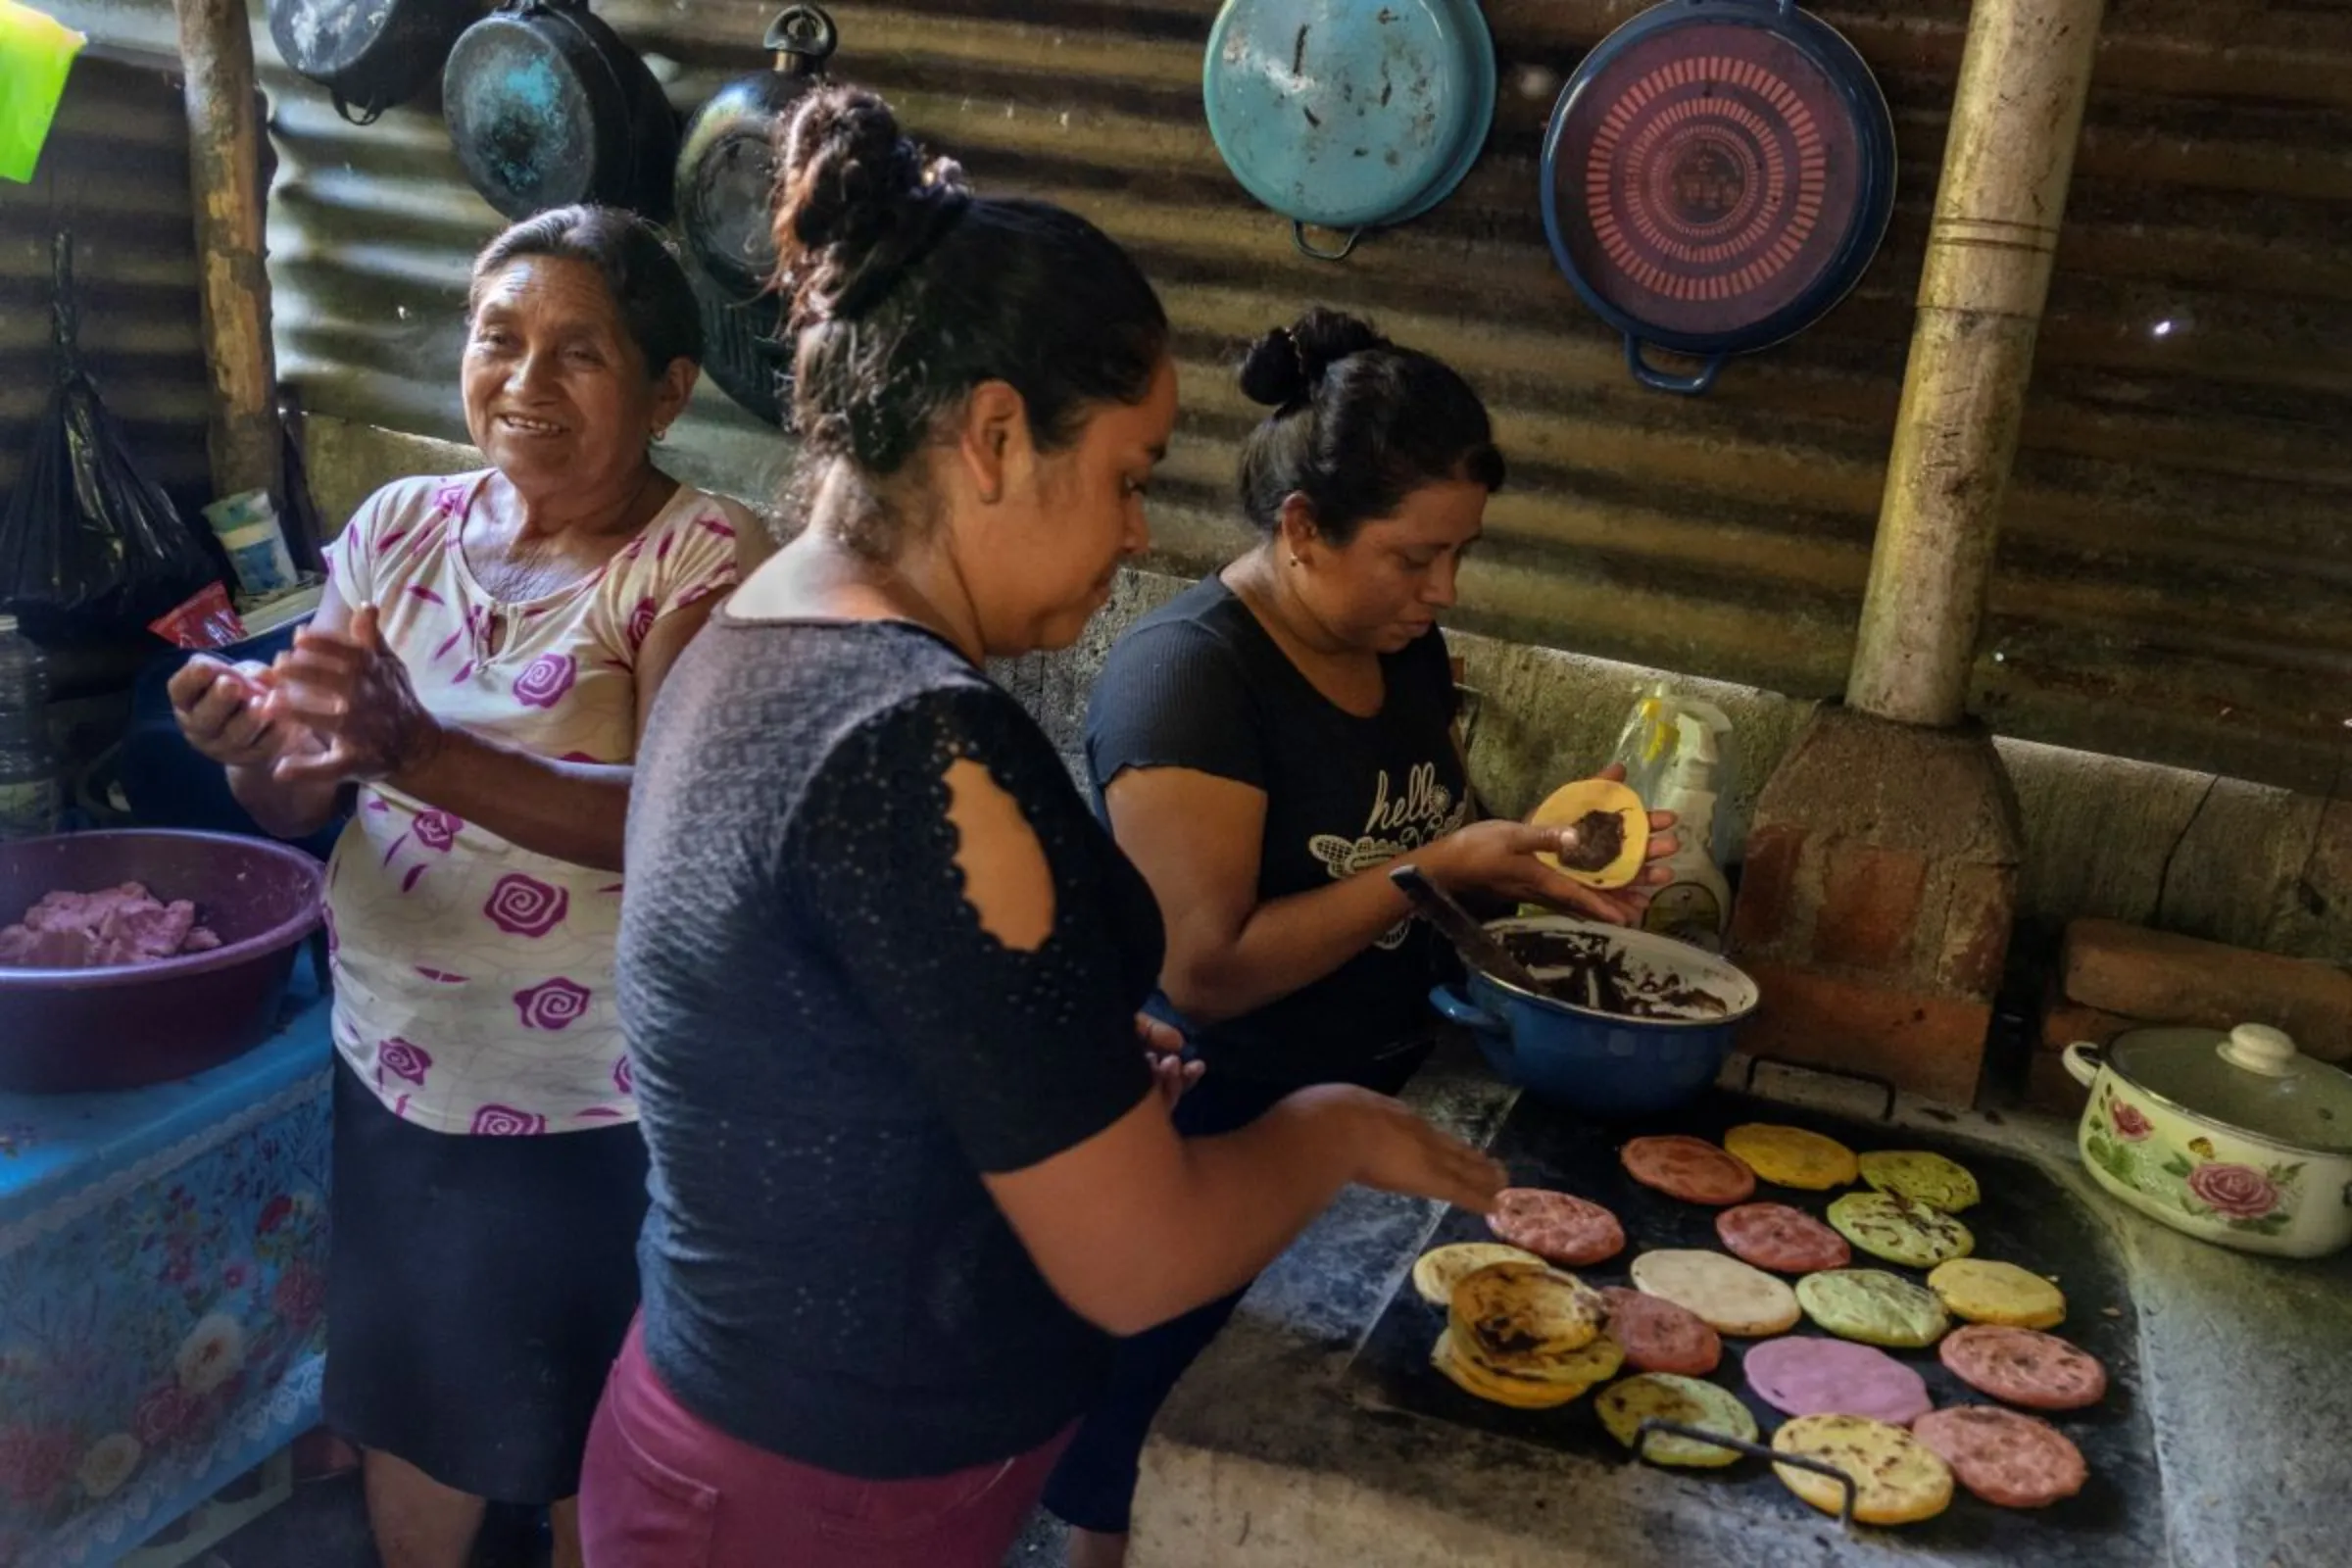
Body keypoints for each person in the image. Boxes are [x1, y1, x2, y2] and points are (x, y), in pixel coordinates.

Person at [578, 86, 1505, 1568]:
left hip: (737, 1434)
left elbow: (820, 1018)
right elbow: (1140, 1266)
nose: (1143, 532)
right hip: (819, 1497)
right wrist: (1321, 1132)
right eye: (1130, 477)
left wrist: (1053, 1047)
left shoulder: (755, 627)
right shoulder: (918, 744)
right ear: (996, 436)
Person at [1042, 308, 1676, 1566]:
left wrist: (1535, 866)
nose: (1442, 591)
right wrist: (1431, 870)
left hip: (1377, 1105)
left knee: (1294, 1456)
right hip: (1219, 1128)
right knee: (1149, 1451)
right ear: (1299, 529)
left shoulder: (1407, 647)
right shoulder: (1191, 678)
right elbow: (1201, 966)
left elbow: (1431, 838)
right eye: (1412, 557)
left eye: (1460, 556)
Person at [166, 206, 750, 1568]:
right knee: (420, 1415)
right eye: (500, 340)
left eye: (579, 354)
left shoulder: (701, 561)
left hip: (593, 1111)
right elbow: (304, 789)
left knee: (593, 1442)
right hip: (397, 1073)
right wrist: (249, 749)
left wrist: (417, 746)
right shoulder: (400, 527)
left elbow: (680, 823)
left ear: (668, 389)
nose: (525, 384)